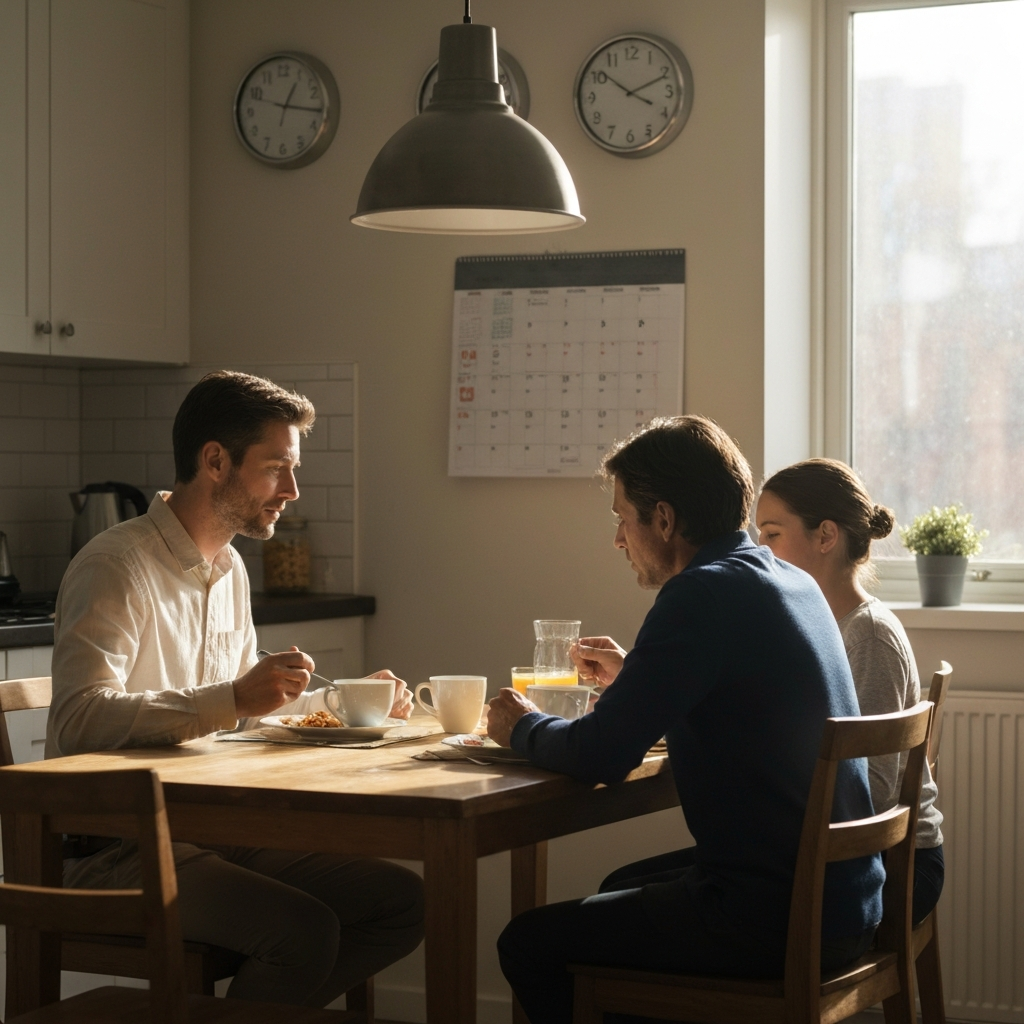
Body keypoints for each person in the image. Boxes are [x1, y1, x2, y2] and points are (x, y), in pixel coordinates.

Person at [486, 415, 884, 1024]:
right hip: (846, 897)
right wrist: (636, 682)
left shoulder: (701, 593)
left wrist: (520, 726)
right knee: (620, 883)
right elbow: (737, 702)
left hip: (774, 915)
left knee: (530, 943)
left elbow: (600, 755)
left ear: (664, 519)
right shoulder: (790, 580)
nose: (619, 539)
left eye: (623, 518)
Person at [47, 371, 424, 1007]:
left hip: (211, 832)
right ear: (215, 461)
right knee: (303, 932)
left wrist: (346, 702)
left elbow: (249, 711)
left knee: (400, 901)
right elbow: (78, 722)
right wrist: (234, 700)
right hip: (115, 848)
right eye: (277, 467)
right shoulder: (116, 566)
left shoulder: (230, 571)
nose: (293, 490)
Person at [757, 457, 943, 925]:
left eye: (772, 534)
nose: (760, 549)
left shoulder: (869, 636)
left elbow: (873, 791)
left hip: (896, 868)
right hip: (851, 855)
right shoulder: (815, 623)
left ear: (825, 536)